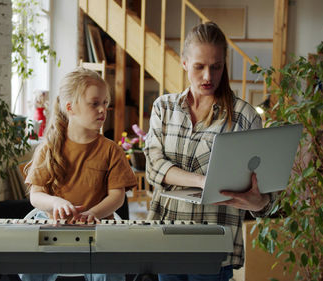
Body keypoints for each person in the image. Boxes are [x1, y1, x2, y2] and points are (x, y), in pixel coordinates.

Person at [144, 22, 276, 281]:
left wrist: (258, 202)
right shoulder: (164, 108)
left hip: (214, 244)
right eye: (199, 66)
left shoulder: (244, 118)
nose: (208, 76)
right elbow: (153, 167)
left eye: (216, 67)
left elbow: (266, 198)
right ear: (184, 63)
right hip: (166, 236)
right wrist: (203, 181)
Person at [21, 67, 138, 281]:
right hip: (52, 227)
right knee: (28, 268)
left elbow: (117, 196)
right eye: (95, 103)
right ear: (70, 108)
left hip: (98, 226)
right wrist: (55, 203)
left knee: (111, 272)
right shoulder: (48, 148)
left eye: (105, 103)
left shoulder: (111, 150)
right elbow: (35, 195)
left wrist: (92, 214)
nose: (103, 109)